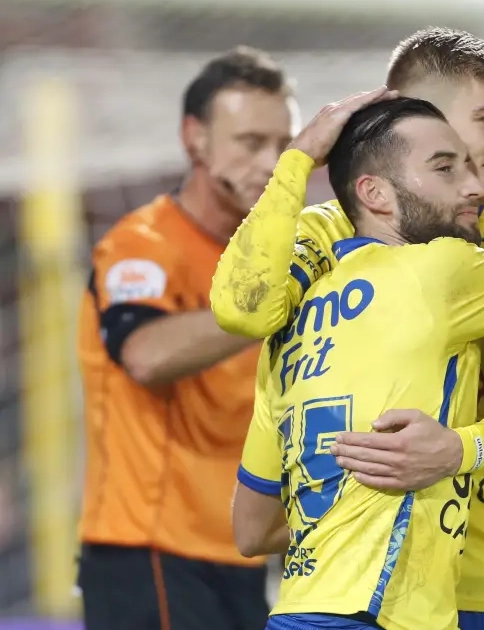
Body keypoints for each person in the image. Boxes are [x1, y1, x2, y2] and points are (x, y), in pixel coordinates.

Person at [209, 28, 484, 630]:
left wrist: (459, 448)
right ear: (416, 118)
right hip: (385, 590)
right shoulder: (325, 233)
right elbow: (244, 312)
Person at [75, 47, 295, 630]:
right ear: (194, 138)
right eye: (250, 142)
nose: (271, 162)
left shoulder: (267, 258)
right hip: (150, 553)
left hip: (241, 552)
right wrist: (260, 304)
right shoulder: (142, 244)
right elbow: (145, 354)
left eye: (283, 144)